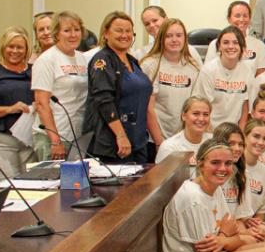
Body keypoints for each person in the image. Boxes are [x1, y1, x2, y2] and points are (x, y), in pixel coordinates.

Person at [84, 12, 153, 163]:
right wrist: (121, 136)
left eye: (128, 31)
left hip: (138, 141)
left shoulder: (132, 60)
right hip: (113, 143)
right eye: (119, 30)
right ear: (106, 33)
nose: (124, 35)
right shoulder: (102, 60)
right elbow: (104, 101)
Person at [31, 11, 88, 160]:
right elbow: (42, 104)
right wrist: (55, 141)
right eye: (67, 30)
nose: (73, 35)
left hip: (77, 135)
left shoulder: (82, 58)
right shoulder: (46, 60)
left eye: (77, 30)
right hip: (53, 137)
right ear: (56, 33)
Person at [142, 18, 201, 156]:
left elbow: (194, 106)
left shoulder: (193, 66)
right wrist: (159, 142)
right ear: (161, 38)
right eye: (169, 36)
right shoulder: (150, 65)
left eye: (179, 36)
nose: (174, 40)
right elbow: (148, 108)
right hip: (154, 139)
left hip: (183, 139)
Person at [0, 27, 35, 179]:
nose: (15, 51)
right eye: (10, 46)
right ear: (3, 47)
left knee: (33, 188)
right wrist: (9, 109)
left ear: (27, 50)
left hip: (30, 140)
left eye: (19, 47)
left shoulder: (35, 70)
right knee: (9, 189)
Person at [193, 26, 255, 129]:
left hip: (234, 131)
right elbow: (201, 107)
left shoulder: (247, 71)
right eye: (226, 42)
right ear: (219, 47)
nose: (231, 46)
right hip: (209, 129)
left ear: (242, 47)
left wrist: (240, 133)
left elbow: (245, 106)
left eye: (235, 43)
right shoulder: (208, 71)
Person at [205, 1, 265, 75]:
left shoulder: (259, 45)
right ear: (229, 19)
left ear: (250, 19)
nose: (241, 19)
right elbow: (208, 73)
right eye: (237, 16)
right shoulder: (215, 44)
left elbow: (261, 79)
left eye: (245, 16)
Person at [242, 119, 265, 236]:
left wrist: (257, 228)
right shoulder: (231, 165)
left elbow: (261, 213)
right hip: (232, 226)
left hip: (251, 226)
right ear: (245, 137)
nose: (261, 142)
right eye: (256, 136)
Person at [155, 95, 212, 168]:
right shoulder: (169, 147)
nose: (201, 119)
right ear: (184, 116)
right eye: (195, 113)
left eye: (206, 114)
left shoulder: (214, 143)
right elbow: (161, 178)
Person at [136, 5, 203, 62]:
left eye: (155, 20)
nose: (152, 25)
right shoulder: (141, 53)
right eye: (147, 24)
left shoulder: (190, 51)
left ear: (166, 19)